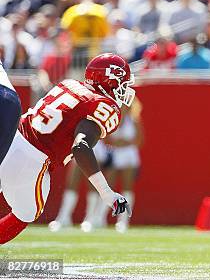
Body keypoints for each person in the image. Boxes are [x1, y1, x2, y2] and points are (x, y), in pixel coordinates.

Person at [0, 53, 133, 244]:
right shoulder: (104, 106)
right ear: (109, 82)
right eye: (122, 83)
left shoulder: (70, 84)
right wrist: (107, 193)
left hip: (9, 136)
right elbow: (81, 146)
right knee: (27, 212)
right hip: (32, 159)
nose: (124, 89)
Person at [103, 99, 144, 232]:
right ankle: (98, 217)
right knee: (108, 186)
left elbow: (140, 141)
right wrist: (115, 143)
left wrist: (125, 143)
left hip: (129, 156)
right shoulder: (113, 119)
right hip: (114, 155)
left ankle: (123, 220)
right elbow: (105, 137)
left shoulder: (135, 120)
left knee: (127, 187)